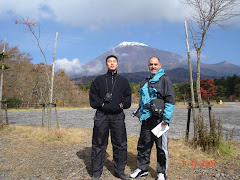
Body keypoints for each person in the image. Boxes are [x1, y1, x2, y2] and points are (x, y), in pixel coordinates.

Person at [130, 56, 175, 180]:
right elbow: (142, 100)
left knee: (161, 147)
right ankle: (142, 169)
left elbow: (170, 100)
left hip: (160, 120)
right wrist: (140, 113)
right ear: (148, 66)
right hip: (146, 119)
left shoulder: (165, 80)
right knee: (143, 145)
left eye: (155, 64)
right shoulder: (144, 81)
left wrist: (167, 118)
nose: (153, 66)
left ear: (159, 66)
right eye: (151, 64)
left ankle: (161, 172)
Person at [89, 55, 131, 180]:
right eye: (109, 61)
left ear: (117, 64)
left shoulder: (123, 81)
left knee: (120, 144)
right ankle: (96, 171)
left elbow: (128, 98)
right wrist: (101, 103)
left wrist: (121, 105)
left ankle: (119, 171)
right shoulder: (98, 80)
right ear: (106, 64)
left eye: (114, 61)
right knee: (98, 143)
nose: (112, 64)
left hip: (117, 116)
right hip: (102, 115)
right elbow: (93, 96)